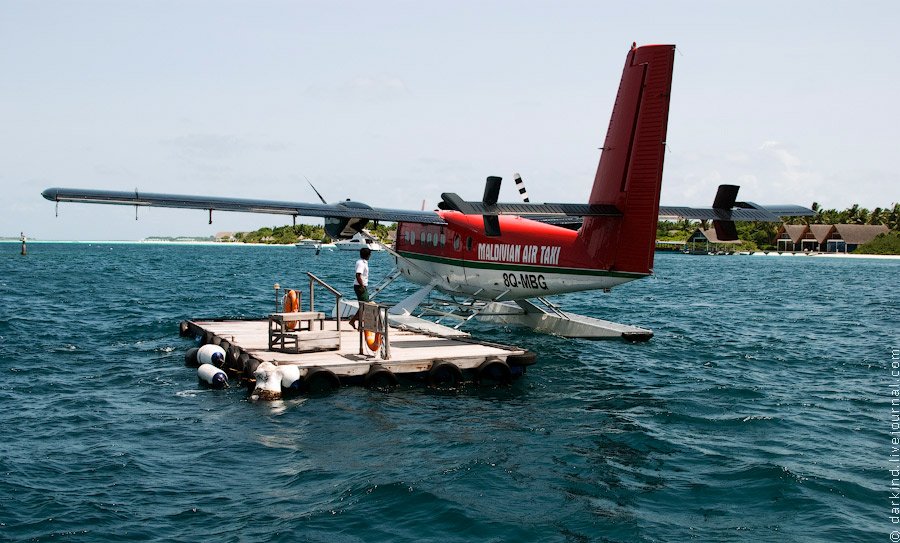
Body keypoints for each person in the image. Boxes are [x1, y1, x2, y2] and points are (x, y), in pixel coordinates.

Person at [348, 247, 372, 329]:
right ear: (367, 255)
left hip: (361, 285)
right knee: (364, 305)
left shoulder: (364, 262)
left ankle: (359, 325)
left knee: (363, 305)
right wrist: (362, 286)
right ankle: (353, 320)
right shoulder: (361, 263)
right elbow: (358, 275)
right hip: (360, 286)